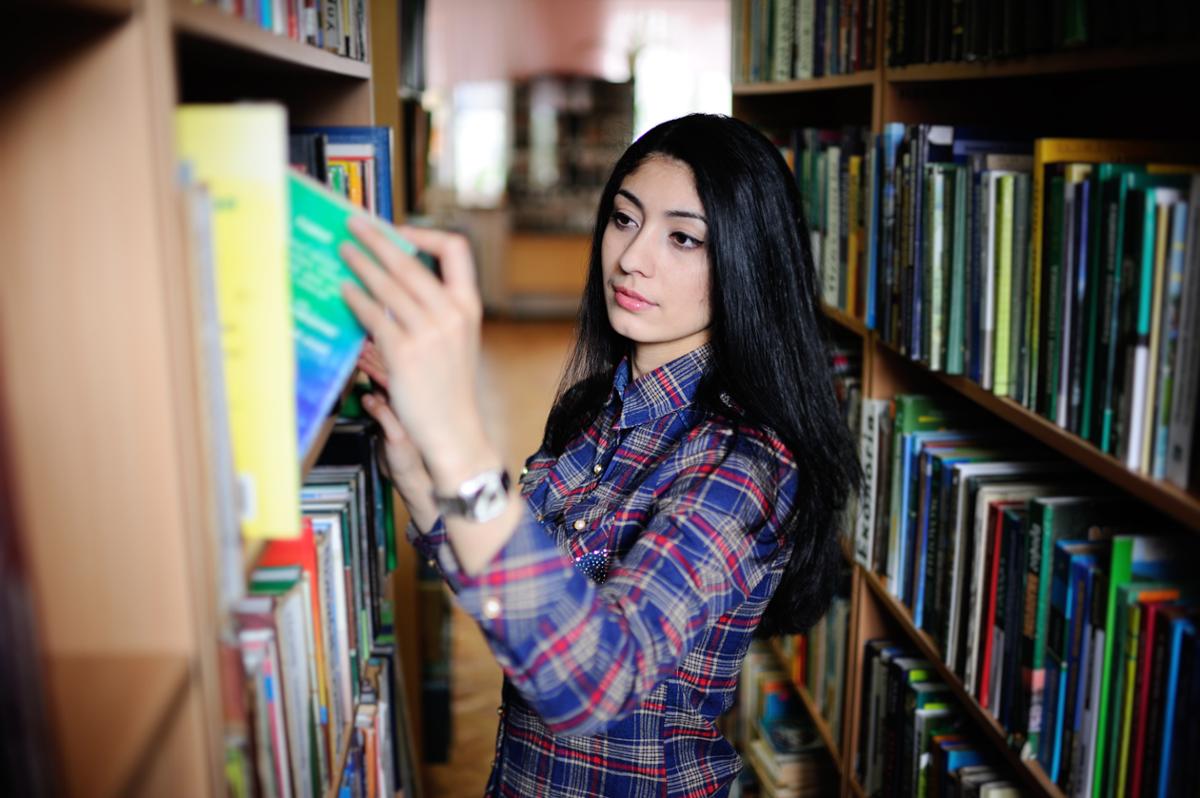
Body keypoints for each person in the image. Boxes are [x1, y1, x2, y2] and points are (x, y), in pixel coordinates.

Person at [340, 113, 859, 798]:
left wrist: (459, 441)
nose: (632, 257)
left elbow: (591, 685)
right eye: (624, 219)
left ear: (746, 260)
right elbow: (521, 601)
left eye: (682, 237)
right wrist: (416, 470)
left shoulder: (745, 465)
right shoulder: (597, 411)